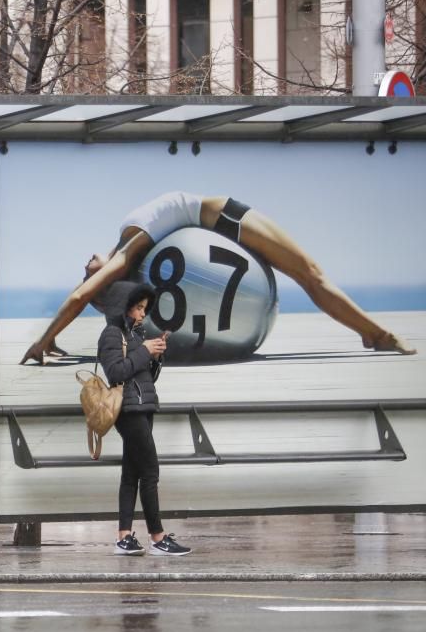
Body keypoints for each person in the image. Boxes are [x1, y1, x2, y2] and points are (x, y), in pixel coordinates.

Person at [21, 191, 416, 364]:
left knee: (310, 275)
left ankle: (370, 332)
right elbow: (79, 298)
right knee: (311, 274)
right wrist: (44, 340)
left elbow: (81, 296)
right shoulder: (127, 255)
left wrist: (51, 337)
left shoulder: (129, 248)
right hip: (228, 219)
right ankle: (377, 334)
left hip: (224, 225)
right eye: (87, 273)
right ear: (104, 279)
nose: (84, 264)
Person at [101, 282, 190, 557]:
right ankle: (158, 537)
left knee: (132, 474)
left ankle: (124, 537)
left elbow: (142, 377)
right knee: (150, 472)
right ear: (123, 307)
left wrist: (155, 357)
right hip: (129, 412)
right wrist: (144, 352)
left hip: (141, 408)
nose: (142, 314)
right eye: (138, 308)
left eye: (144, 308)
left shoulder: (134, 334)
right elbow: (115, 372)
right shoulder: (112, 334)